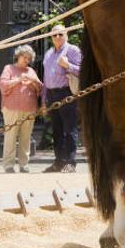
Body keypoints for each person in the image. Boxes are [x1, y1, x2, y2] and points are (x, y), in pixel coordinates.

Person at [41, 24, 81, 173]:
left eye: (61, 34)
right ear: (51, 37)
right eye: (54, 35)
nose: (57, 37)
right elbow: (46, 79)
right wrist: (43, 100)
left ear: (67, 35)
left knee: (70, 129)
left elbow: (83, 70)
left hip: (66, 93)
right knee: (56, 129)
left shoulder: (72, 50)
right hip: (51, 94)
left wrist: (68, 65)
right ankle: (59, 161)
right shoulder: (48, 54)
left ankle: (71, 162)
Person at [0, 45, 42, 173]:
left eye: (29, 58)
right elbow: (3, 85)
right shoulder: (9, 68)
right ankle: (8, 165)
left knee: (26, 137)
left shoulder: (31, 71)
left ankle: (24, 164)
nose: (26, 60)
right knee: (10, 136)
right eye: (24, 57)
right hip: (11, 108)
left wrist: (33, 81)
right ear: (18, 56)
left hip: (29, 108)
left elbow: (40, 88)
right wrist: (19, 80)